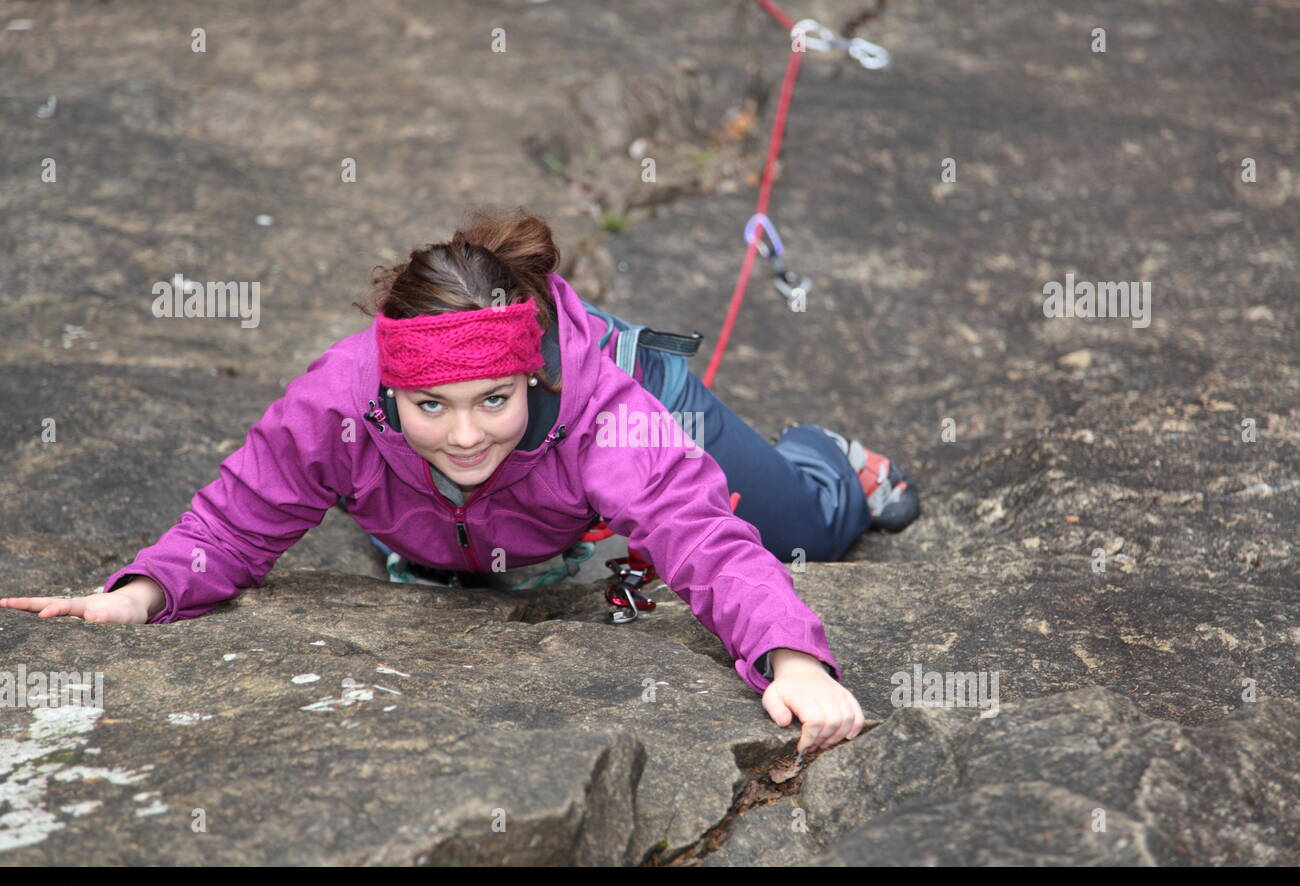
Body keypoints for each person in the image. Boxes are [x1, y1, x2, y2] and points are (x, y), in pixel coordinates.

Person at [1, 206, 919, 756]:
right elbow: (238, 518)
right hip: (486, 525)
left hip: (654, 404)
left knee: (811, 526)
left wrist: (791, 657)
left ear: (531, 377)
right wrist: (143, 590)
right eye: (430, 405)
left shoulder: (610, 419)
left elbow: (703, 540)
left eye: (493, 399)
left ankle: (832, 459)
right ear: (389, 386)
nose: (467, 432)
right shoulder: (339, 403)